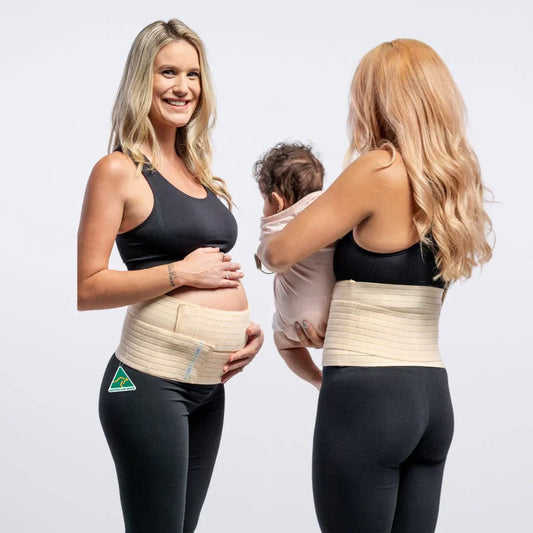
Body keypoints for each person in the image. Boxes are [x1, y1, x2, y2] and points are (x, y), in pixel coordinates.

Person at [258, 39, 493, 532]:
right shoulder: (451, 182)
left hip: (368, 398)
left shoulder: (378, 168)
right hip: (431, 399)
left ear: (378, 99)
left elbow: (279, 254)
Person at [77, 19, 263, 533]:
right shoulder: (117, 170)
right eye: (168, 72)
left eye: (193, 75)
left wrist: (244, 331)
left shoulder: (196, 169)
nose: (183, 87)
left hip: (207, 385)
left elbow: (215, 277)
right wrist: (180, 271)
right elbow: (89, 287)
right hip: (147, 384)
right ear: (143, 79)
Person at [253, 142, 335, 390]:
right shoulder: (333, 213)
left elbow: (269, 257)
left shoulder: (278, 223)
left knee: (282, 342)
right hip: (336, 320)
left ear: (277, 201)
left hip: (294, 325)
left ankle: (317, 379)